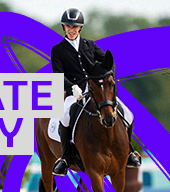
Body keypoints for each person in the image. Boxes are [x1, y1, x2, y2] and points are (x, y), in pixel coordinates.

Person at [51, 8, 141, 176]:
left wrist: (108, 78)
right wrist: (72, 87)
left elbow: (108, 63)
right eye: (68, 26)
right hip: (74, 92)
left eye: (75, 26)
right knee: (64, 116)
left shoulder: (89, 45)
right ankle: (64, 158)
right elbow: (57, 75)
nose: (71, 29)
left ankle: (129, 152)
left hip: (97, 91)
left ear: (80, 28)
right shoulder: (58, 50)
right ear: (64, 27)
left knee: (128, 115)